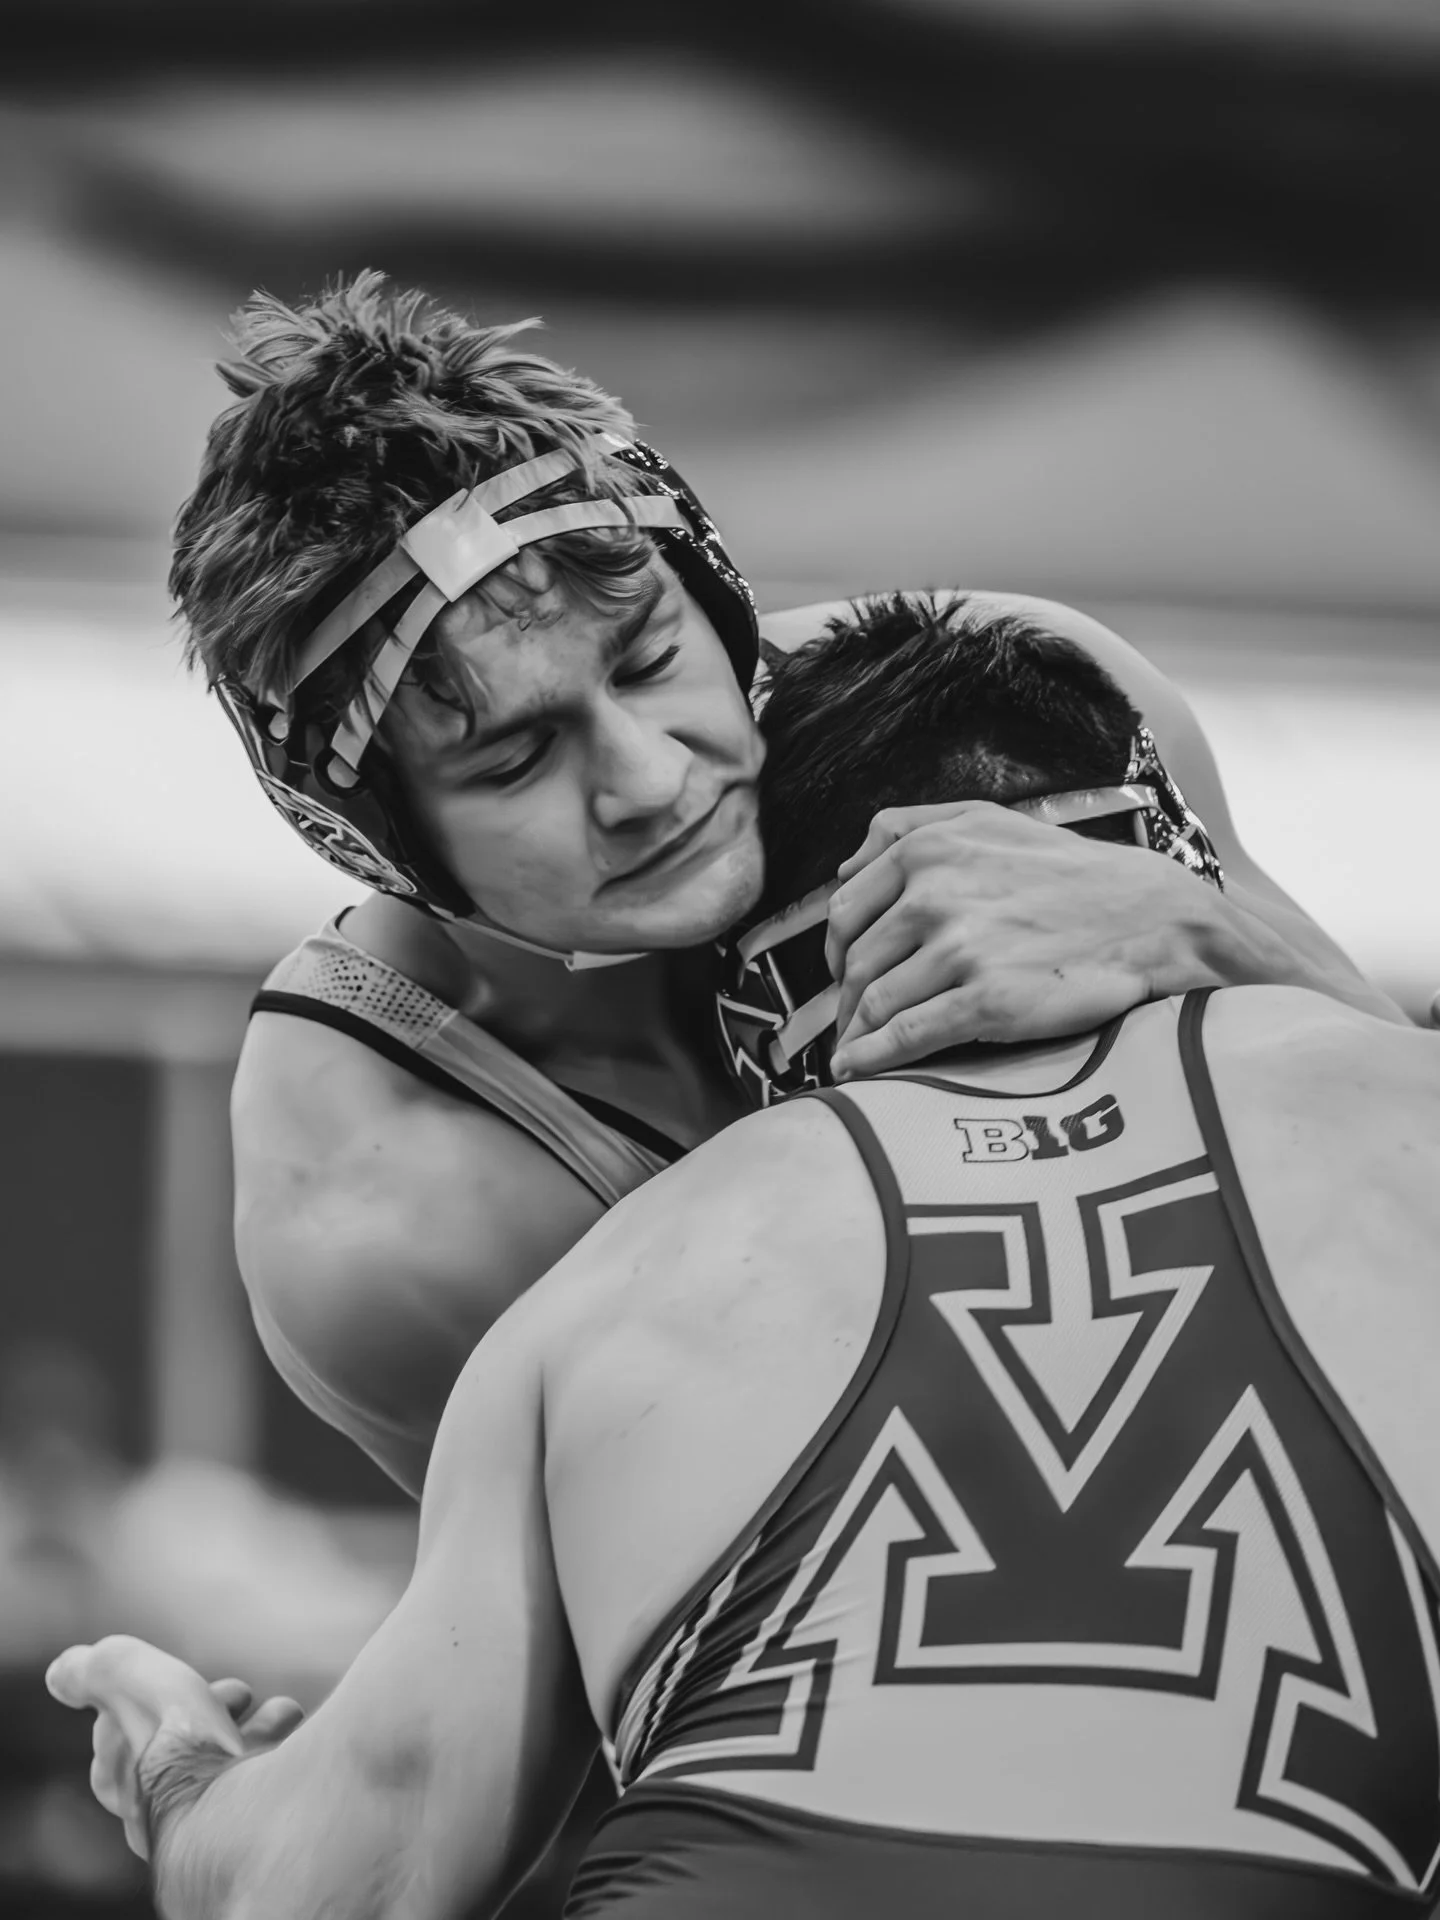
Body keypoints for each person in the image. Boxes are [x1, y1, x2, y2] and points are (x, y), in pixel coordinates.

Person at [52, 596, 1440, 1920]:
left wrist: (180, 1770)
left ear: (762, 1005)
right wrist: (1235, 941)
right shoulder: (1398, 1110)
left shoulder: (602, 1296)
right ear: (1166, 854)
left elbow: (298, 1888)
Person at [173, 273, 1404, 1499]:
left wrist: (1212, 934)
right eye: (516, 758)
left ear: (715, 597)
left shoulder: (1005, 706)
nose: (651, 780)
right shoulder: (398, 1221)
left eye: (650, 660)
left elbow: (1409, 1176)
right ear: (370, 839)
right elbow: (764, 1599)